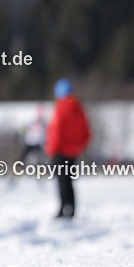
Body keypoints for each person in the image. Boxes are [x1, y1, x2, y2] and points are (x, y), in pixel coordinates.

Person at [45, 78, 91, 218]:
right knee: (69, 180)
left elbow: (55, 132)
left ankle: (64, 209)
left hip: (60, 152)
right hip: (73, 152)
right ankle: (71, 208)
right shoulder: (79, 108)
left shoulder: (61, 108)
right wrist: (78, 147)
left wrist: (51, 149)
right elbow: (87, 133)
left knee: (62, 181)